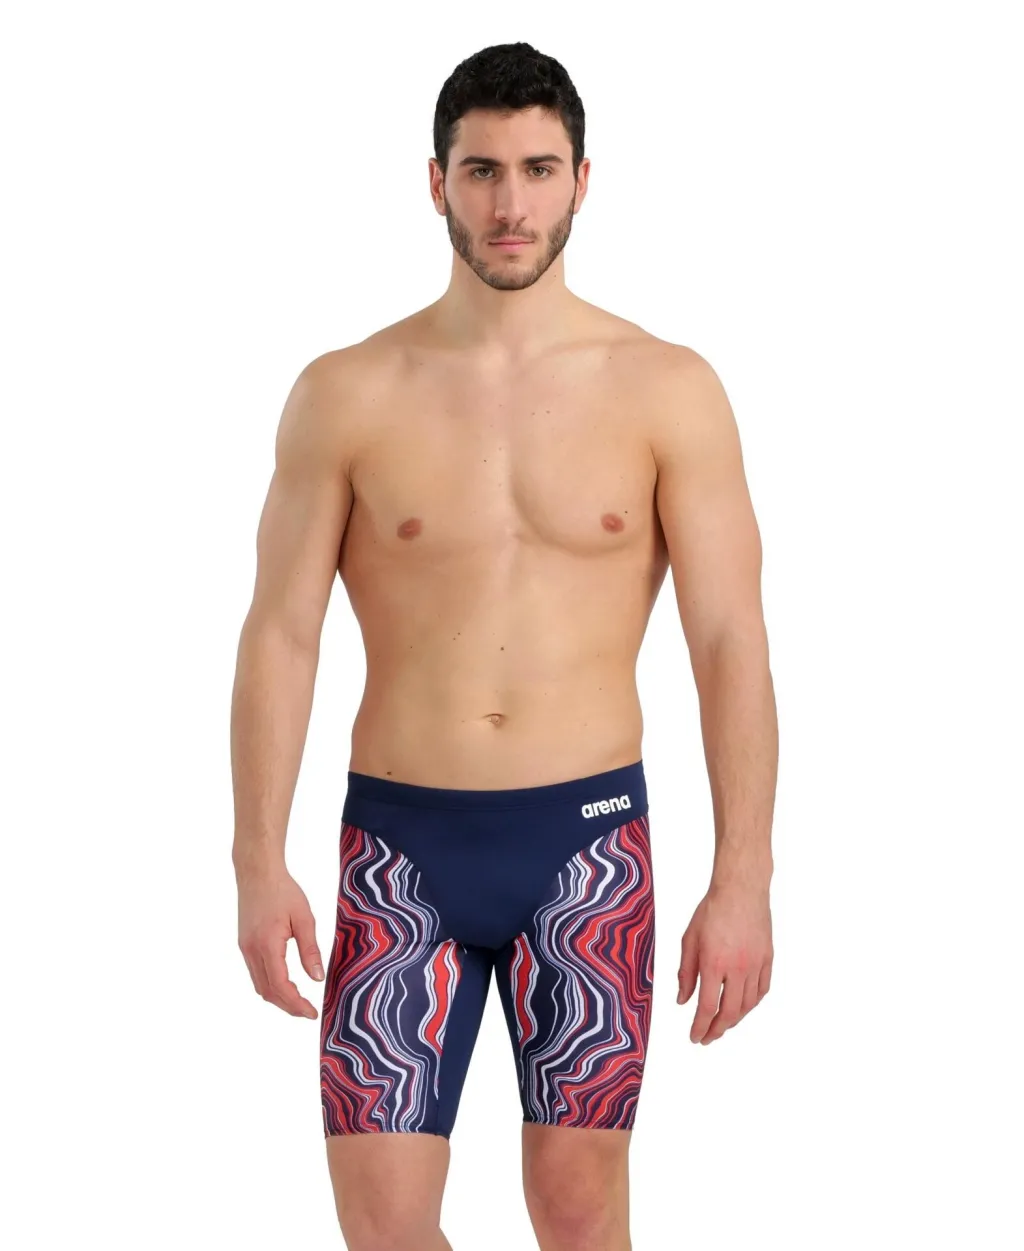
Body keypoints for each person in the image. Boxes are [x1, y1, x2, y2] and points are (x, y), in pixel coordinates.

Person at [231, 40, 777, 1251]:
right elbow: (280, 633)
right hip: (399, 854)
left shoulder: (667, 388)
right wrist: (254, 859)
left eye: (538, 170)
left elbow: (729, 639)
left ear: (583, 180)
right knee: (382, 1226)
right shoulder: (347, 390)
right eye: (481, 171)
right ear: (436, 182)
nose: (510, 204)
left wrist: (745, 874)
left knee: (576, 1214)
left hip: (587, 854)